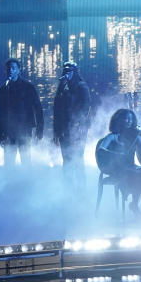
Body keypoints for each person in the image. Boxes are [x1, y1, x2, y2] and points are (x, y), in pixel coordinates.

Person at [95, 109, 141, 214]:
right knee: (137, 174)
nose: (129, 121)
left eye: (131, 119)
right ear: (119, 120)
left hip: (130, 166)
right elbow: (101, 149)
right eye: (126, 118)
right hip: (116, 168)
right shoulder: (112, 136)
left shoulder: (135, 136)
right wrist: (116, 154)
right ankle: (134, 204)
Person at [0, 58, 44, 166]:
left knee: (26, 159)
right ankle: (10, 182)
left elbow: (38, 108)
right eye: (8, 68)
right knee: (9, 162)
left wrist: (39, 130)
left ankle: (27, 181)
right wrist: (1, 134)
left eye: (13, 68)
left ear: (19, 70)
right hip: (8, 130)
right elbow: (1, 114)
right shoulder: (2, 89)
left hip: (25, 128)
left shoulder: (28, 87)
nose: (10, 70)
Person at [52, 61, 91, 189]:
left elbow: (85, 107)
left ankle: (81, 188)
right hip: (64, 129)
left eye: (69, 71)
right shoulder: (62, 88)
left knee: (78, 159)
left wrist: (78, 125)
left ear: (74, 72)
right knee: (66, 159)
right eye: (65, 71)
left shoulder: (81, 86)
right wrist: (56, 132)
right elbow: (56, 110)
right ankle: (67, 188)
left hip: (78, 129)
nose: (66, 74)